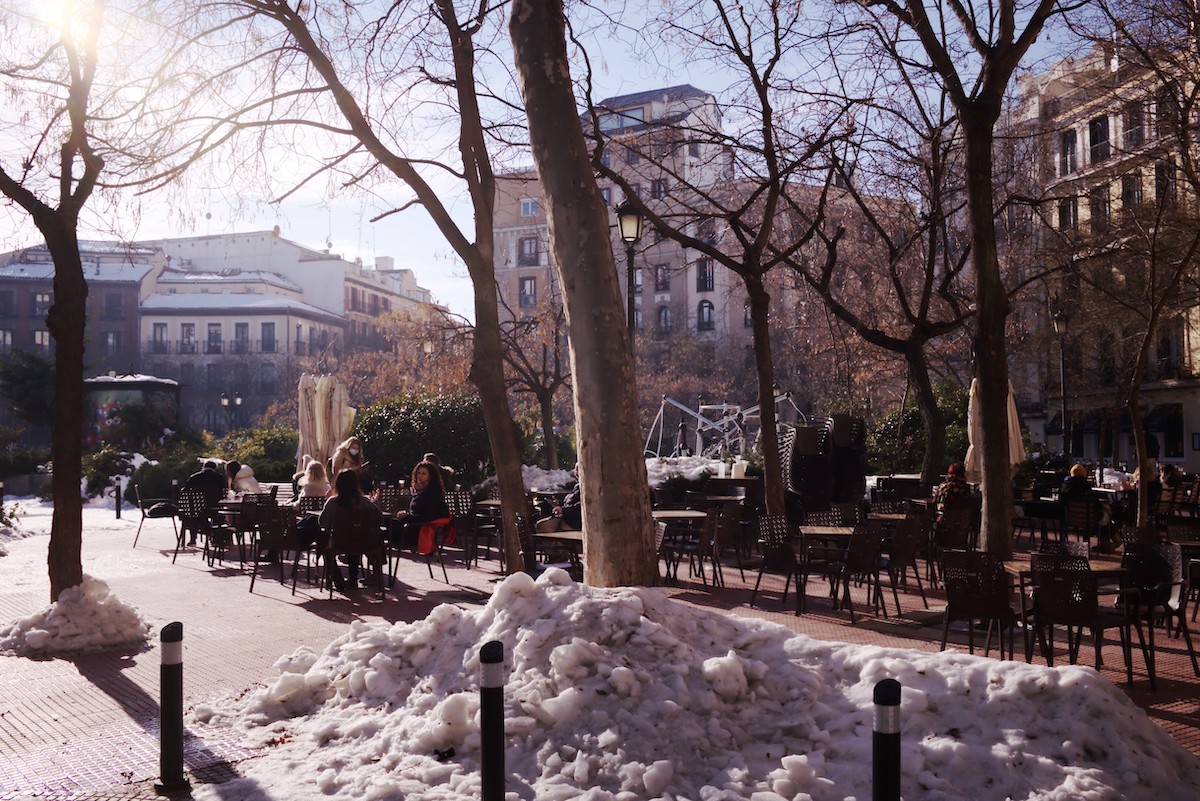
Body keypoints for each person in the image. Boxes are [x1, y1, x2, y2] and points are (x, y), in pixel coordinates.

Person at [318, 468, 383, 592]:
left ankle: (338, 580)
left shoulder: (332, 503)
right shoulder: (365, 502)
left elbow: (322, 522)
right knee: (355, 537)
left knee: (324, 544)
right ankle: (353, 579)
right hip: (365, 543)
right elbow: (379, 519)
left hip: (340, 543)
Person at [392, 459, 450, 550]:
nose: (420, 476)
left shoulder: (432, 493)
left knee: (382, 529)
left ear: (430, 476)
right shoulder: (420, 491)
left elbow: (427, 516)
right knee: (381, 525)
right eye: (418, 473)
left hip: (417, 531)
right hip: (411, 526)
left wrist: (407, 517)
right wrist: (407, 513)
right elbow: (417, 511)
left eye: (423, 474)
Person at [180, 460, 226, 545]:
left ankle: (193, 538)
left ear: (203, 467)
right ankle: (215, 538)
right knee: (219, 515)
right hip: (214, 508)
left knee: (193, 514)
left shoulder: (194, 477)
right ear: (214, 468)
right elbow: (223, 493)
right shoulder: (219, 477)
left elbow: (185, 491)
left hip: (196, 509)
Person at [537, 463, 582, 533]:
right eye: (575, 469)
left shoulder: (586, 487)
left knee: (542, 526)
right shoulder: (577, 485)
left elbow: (580, 506)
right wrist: (558, 503)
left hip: (574, 521)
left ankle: (554, 543)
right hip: (566, 517)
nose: (576, 472)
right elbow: (570, 501)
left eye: (578, 469)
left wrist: (563, 510)